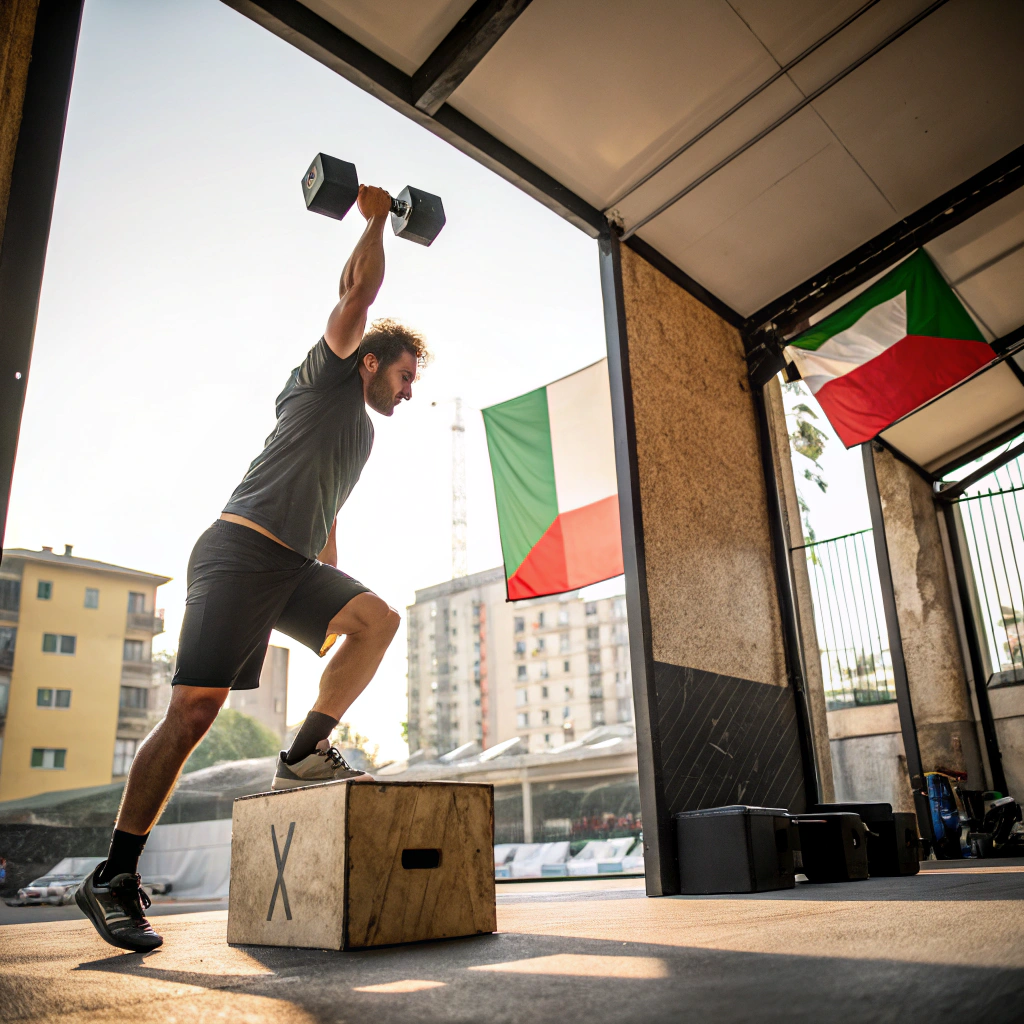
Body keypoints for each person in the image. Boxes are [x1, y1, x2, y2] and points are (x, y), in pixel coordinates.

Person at [77, 185, 428, 952]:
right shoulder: (328, 372)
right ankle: (112, 873)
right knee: (195, 713)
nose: (410, 391)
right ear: (369, 360)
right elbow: (358, 291)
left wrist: (331, 590)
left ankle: (305, 752)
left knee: (376, 621)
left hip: (293, 566)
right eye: (405, 376)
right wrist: (373, 218)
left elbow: (328, 508)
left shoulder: (359, 437)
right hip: (238, 551)